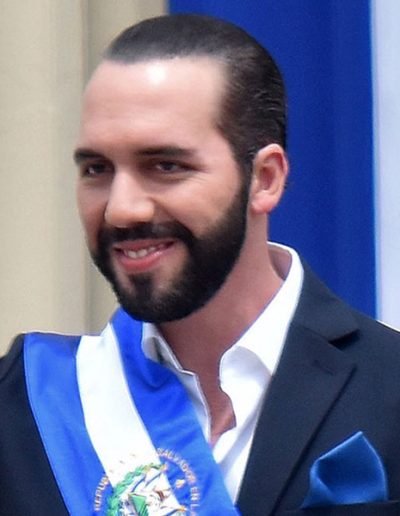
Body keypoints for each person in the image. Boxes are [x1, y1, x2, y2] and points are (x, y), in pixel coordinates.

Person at [1, 14, 400, 516]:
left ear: (265, 179)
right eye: (97, 169)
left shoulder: (389, 390)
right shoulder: (25, 405)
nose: (122, 209)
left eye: (165, 166)